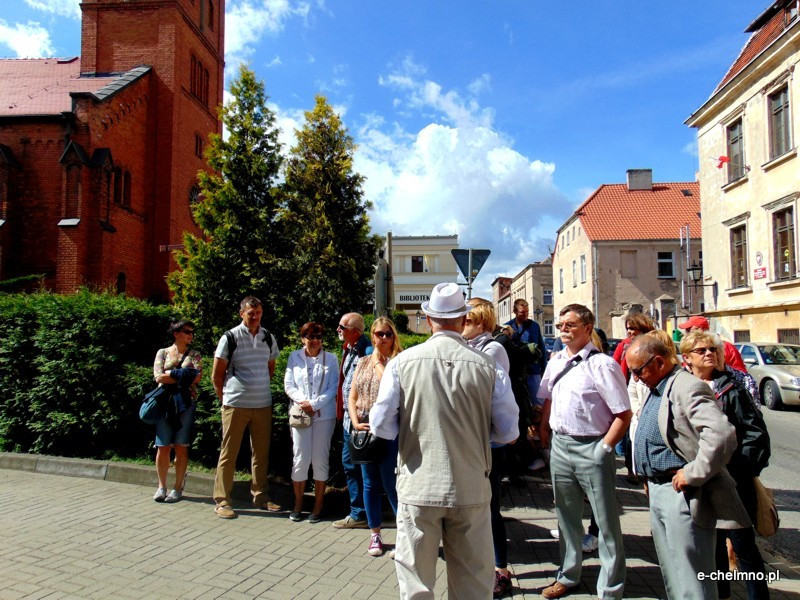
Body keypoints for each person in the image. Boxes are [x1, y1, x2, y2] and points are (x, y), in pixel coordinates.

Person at [371, 282, 519, 599]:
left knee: (416, 584)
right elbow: (509, 431)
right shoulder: (489, 366)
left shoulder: (402, 363)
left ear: (428, 319)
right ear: (463, 319)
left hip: (418, 483)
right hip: (471, 484)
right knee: (472, 584)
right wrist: (477, 433)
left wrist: (411, 426)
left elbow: (381, 425)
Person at [627, 335, 751, 599]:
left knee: (693, 579)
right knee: (674, 573)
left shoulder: (687, 386)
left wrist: (693, 473)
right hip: (660, 491)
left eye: (638, 371)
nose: (636, 378)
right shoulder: (659, 385)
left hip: (681, 495)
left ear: (659, 362)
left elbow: (721, 435)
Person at [537, 304, 631, 599]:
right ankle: (567, 575)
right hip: (561, 445)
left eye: (570, 325)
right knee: (566, 517)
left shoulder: (602, 365)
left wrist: (605, 448)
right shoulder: (555, 361)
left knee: (605, 522)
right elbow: (548, 399)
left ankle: (610, 587)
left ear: (588, 328)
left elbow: (623, 413)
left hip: (593, 445)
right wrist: (543, 430)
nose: (563, 329)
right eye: (560, 325)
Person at [681, 331, 771, 600]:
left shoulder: (732, 387)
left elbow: (755, 433)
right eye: (701, 350)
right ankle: (721, 594)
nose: (709, 354)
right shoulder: (680, 387)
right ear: (687, 358)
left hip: (732, 479)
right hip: (697, 478)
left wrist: (741, 469)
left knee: (744, 545)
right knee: (712, 545)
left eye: (712, 349)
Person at [211, 296, 281, 519]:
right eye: (251, 313)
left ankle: (261, 496)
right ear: (241, 313)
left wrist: (257, 387)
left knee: (261, 454)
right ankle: (222, 500)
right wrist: (226, 399)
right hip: (235, 405)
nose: (255, 317)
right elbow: (217, 375)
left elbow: (270, 368)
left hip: (262, 404)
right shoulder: (230, 337)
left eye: (258, 313)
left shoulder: (268, 337)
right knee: (228, 453)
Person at [463, 299, 514, 598]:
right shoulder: (469, 346)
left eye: (468, 321)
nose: (463, 325)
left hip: (489, 442)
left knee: (490, 507)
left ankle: (501, 570)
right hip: (471, 438)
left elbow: (493, 394)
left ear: (481, 323)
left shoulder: (492, 349)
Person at [348, 317, 402, 556]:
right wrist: (354, 421)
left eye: (388, 334)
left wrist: (379, 362)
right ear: (372, 336)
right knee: (369, 483)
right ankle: (375, 534)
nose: (384, 338)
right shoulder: (362, 362)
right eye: (380, 334)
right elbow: (352, 396)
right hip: (364, 430)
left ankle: (404, 536)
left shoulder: (399, 361)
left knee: (392, 484)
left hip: (389, 431)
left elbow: (391, 386)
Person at [284, 322, 339, 523]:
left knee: (320, 459)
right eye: (310, 337)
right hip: (301, 415)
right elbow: (288, 385)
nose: (315, 341)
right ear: (303, 338)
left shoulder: (331, 358)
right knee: (300, 458)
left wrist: (315, 404)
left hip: (324, 416)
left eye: (318, 337)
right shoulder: (294, 357)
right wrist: (304, 402)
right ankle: (298, 503)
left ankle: (318, 505)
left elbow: (334, 386)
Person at [151, 320, 202, 503]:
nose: (190, 335)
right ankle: (161, 487)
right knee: (163, 445)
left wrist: (170, 374)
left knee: (181, 445)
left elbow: (197, 378)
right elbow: (158, 376)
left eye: (192, 332)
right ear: (176, 333)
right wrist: (183, 376)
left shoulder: (195, 355)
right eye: (187, 331)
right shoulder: (163, 352)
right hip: (165, 402)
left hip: (186, 403)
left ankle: (178, 487)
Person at [332, 312, 372, 529]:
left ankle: (366, 514)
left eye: (342, 327)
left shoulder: (368, 351)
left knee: (364, 470)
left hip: (363, 422)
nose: (338, 330)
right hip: (349, 421)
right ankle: (359, 512)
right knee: (350, 466)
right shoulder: (348, 348)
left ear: (355, 331)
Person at [505, 299, 548, 407]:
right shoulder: (507, 327)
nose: (525, 314)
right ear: (515, 311)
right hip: (515, 372)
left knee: (538, 402)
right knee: (517, 403)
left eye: (527, 312)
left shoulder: (534, 326)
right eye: (522, 312)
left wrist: (544, 368)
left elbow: (541, 347)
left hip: (533, 370)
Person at [678, 315, 747, 373]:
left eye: (688, 330)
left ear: (700, 330)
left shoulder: (726, 347)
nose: (686, 333)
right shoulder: (689, 348)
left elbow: (741, 372)